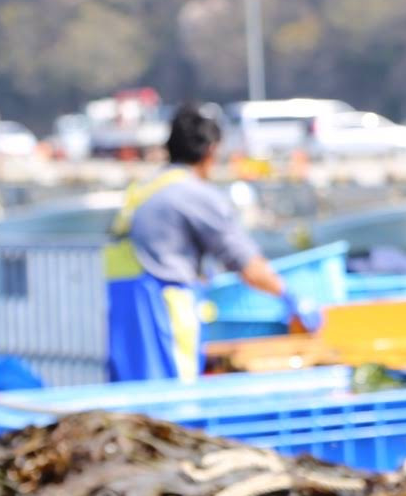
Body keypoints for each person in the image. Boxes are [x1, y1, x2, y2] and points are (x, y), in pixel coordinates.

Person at [104, 103, 287, 382]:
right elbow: (247, 265)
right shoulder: (195, 194)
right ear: (212, 150)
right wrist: (291, 296)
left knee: (134, 408)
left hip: (120, 305)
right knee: (176, 402)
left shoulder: (147, 186)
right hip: (163, 308)